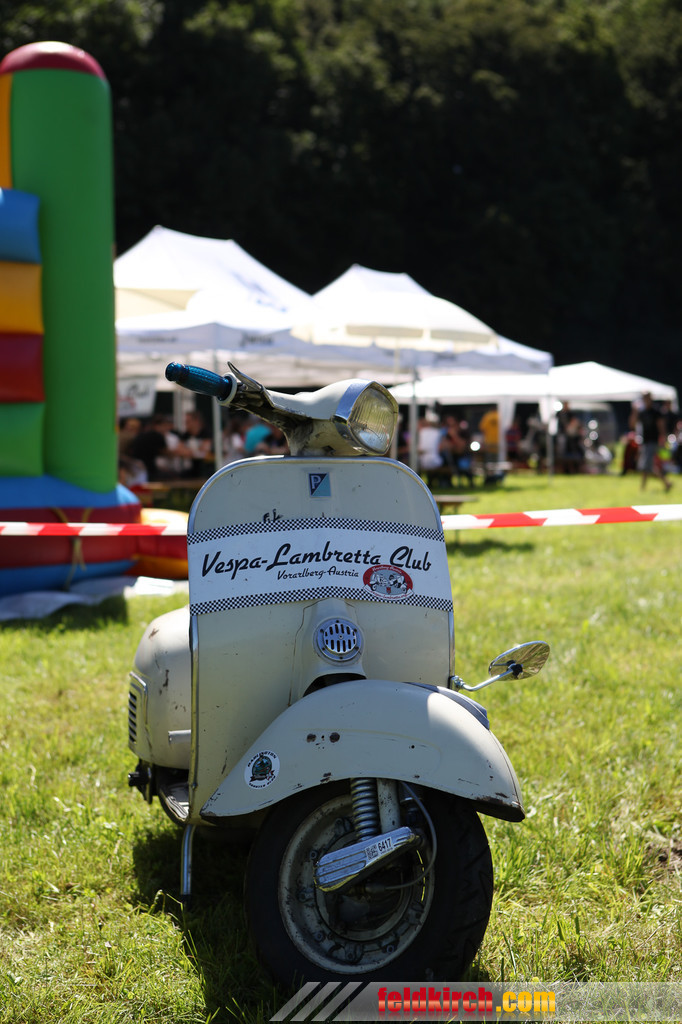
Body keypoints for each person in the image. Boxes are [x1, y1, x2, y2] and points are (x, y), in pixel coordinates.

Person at [630, 392, 672, 492]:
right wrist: (634, 412)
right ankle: (666, 483)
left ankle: (643, 488)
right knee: (650, 465)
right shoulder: (642, 412)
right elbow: (632, 424)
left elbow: (661, 426)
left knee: (645, 465)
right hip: (645, 441)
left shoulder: (656, 411)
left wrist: (663, 439)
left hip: (653, 441)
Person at [179, 410, 213, 478]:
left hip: (207, 468)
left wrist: (189, 451)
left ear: (196, 421)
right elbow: (179, 450)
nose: (186, 424)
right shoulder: (185, 435)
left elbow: (205, 450)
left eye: (188, 422)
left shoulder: (206, 433)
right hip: (192, 469)